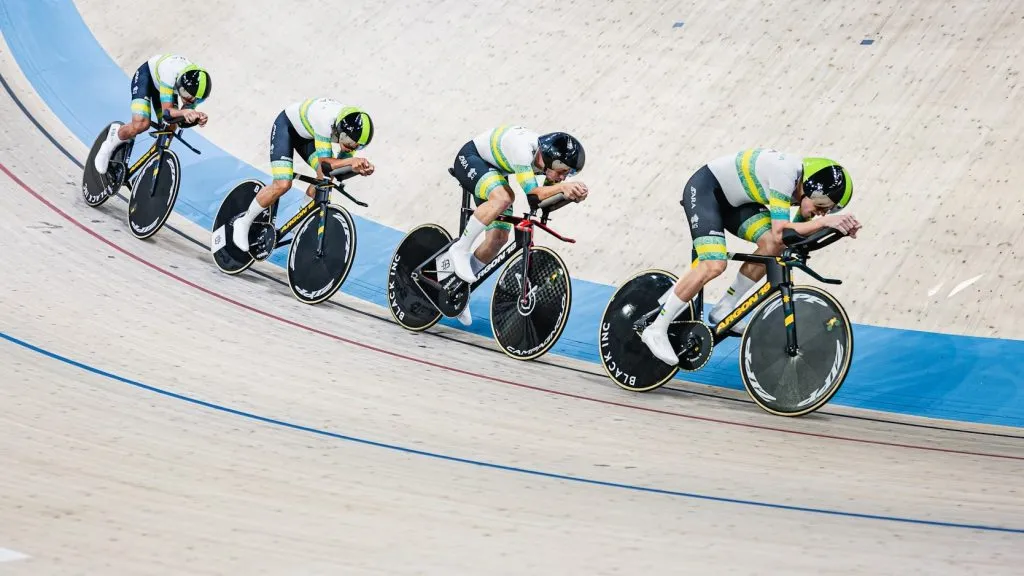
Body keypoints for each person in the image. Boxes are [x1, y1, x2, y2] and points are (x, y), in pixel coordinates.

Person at [641, 148, 862, 365]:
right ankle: (656, 329)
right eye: (822, 205)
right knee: (714, 264)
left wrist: (835, 230)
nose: (822, 213)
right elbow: (780, 230)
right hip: (706, 190)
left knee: (774, 246)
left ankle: (724, 308)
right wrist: (823, 223)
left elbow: (789, 238)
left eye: (830, 211)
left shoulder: (802, 192)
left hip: (737, 204)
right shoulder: (785, 174)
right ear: (810, 187)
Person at [444, 125, 589, 325]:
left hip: (494, 171)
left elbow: (540, 203)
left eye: (568, 175)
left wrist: (570, 196)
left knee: (498, 238)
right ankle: (460, 248)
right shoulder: (523, 151)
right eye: (563, 171)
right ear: (550, 159)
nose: (563, 177)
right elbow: (533, 193)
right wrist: (563, 187)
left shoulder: (546, 164)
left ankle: (460, 289)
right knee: (504, 197)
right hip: (472, 158)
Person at [231, 98, 375, 252]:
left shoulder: (351, 136)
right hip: (286, 128)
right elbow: (325, 162)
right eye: (348, 141)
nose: (350, 147)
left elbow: (337, 172)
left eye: (356, 146)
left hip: (307, 136)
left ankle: (300, 222)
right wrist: (352, 161)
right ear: (341, 128)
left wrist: (358, 169)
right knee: (283, 183)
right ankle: (244, 222)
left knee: (326, 178)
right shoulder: (325, 119)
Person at [94, 53, 212, 173]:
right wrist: (185, 112)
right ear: (181, 84)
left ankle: (149, 168)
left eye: (195, 99)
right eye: (186, 95)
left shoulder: (194, 90)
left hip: (166, 88)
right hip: (147, 78)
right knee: (141, 124)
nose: (189, 100)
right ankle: (110, 142)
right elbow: (167, 112)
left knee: (170, 128)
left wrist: (195, 117)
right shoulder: (170, 72)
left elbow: (181, 121)